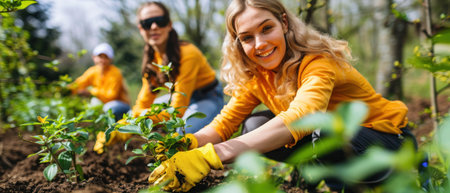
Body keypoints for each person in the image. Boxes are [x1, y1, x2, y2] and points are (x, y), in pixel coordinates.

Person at [147, 0, 417, 192]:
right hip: (334, 140)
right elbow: (224, 123)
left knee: (326, 131)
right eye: (247, 37)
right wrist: (188, 143)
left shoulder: (318, 61)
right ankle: (317, 176)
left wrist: (211, 156)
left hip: (386, 142)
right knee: (254, 125)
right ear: (237, 42)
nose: (260, 44)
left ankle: (364, 185)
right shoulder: (257, 75)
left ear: (284, 22)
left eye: (266, 28)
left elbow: (304, 116)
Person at [93, 1, 224, 154]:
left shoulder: (188, 54)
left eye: (160, 21)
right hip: (179, 99)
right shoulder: (152, 59)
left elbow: (177, 111)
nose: (154, 26)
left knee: (181, 137)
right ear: (141, 29)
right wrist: (121, 127)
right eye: (147, 23)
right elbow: (143, 103)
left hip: (207, 97)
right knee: (132, 115)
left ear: (169, 25)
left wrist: (139, 119)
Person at [69, 43, 130, 121]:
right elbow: (79, 84)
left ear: (111, 59)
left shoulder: (115, 73)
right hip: (103, 103)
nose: (103, 60)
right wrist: (67, 89)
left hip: (119, 104)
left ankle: (116, 126)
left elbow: (111, 96)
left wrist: (91, 92)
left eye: (106, 57)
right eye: (100, 57)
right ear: (94, 57)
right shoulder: (92, 71)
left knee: (108, 108)